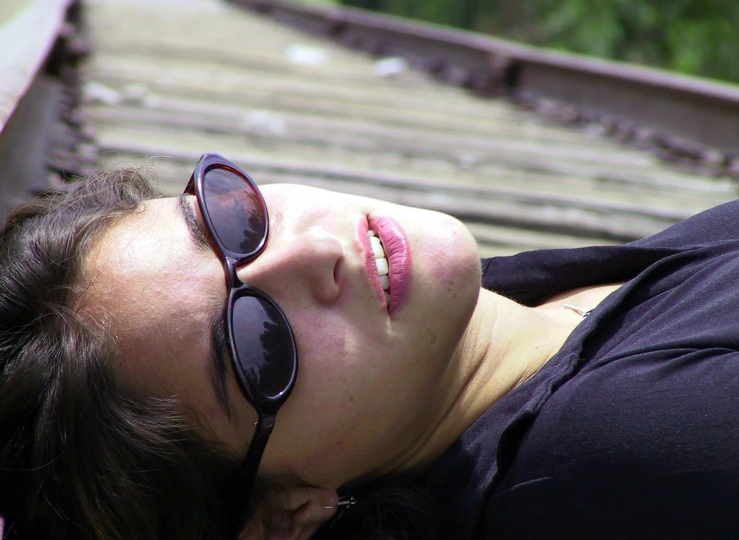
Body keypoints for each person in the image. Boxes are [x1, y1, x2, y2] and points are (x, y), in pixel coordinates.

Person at [1, 152, 737, 540]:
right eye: (257, 343)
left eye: (230, 218)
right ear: (282, 515)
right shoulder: (629, 450)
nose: (308, 253)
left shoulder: (510, 312)